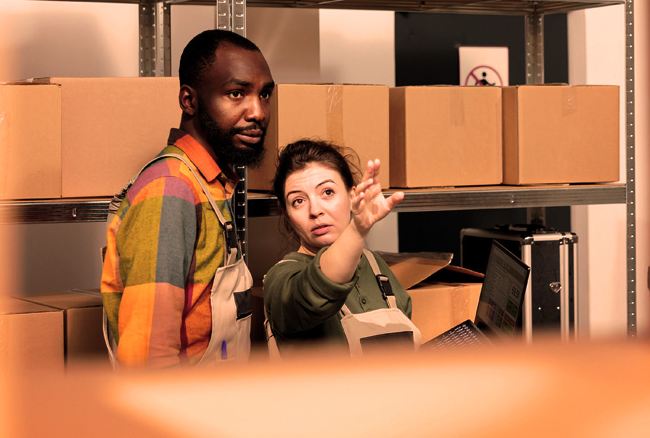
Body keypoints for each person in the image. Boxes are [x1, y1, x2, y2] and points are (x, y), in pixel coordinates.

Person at [101, 29, 274, 368]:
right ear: (189, 101)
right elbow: (148, 359)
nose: (258, 112)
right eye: (237, 93)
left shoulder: (210, 183)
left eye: (264, 94)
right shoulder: (171, 191)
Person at [263, 139, 420, 357]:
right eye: (298, 201)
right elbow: (317, 289)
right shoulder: (282, 278)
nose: (315, 210)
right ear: (286, 215)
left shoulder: (376, 266)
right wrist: (357, 228)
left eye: (327, 192)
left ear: (353, 195)